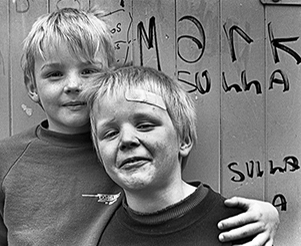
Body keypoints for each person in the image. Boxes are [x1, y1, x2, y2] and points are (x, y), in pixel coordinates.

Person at [0, 7, 279, 246]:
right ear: (32, 86)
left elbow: (177, 197)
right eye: (55, 74)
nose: (73, 85)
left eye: (88, 71)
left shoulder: (124, 152)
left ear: (109, 76)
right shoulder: (7, 157)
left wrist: (267, 214)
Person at [82, 65, 276, 245]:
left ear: (183, 141)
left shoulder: (239, 226)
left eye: (144, 125)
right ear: (98, 152)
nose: (126, 140)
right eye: (110, 133)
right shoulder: (97, 231)